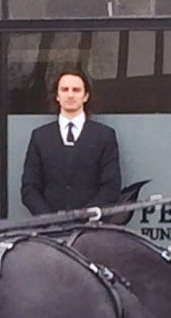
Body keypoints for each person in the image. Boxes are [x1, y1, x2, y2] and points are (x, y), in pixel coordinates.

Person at [20, 70, 122, 215]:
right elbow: (29, 187)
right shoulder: (40, 136)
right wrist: (47, 218)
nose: (70, 95)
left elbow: (111, 186)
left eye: (76, 90)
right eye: (64, 89)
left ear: (85, 96)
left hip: (89, 228)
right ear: (57, 95)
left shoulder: (104, 136)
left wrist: (86, 215)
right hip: (48, 229)